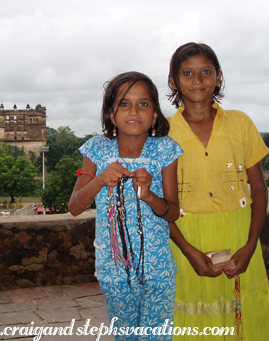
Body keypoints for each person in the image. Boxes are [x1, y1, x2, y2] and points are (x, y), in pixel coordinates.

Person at [166, 42, 269, 340]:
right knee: (194, 319)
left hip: (238, 232)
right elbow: (162, 204)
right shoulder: (164, 132)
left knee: (242, 313)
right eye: (187, 73)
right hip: (185, 237)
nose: (198, 80)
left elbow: (259, 188)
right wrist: (188, 250)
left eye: (206, 72)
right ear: (174, 81)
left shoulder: (240, 124)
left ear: (218, 76)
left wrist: (251, 243)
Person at [68, 71, 183, 340]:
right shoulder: (96, 149)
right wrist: (99, 179)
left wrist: (149, 196)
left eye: (143, 104)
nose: (134, 111)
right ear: (111, 114)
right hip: (114, 269)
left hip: (158, 269)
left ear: (154, 115)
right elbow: (74, 206)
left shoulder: (166, 150)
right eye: (124, 103)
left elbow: (174, 211)